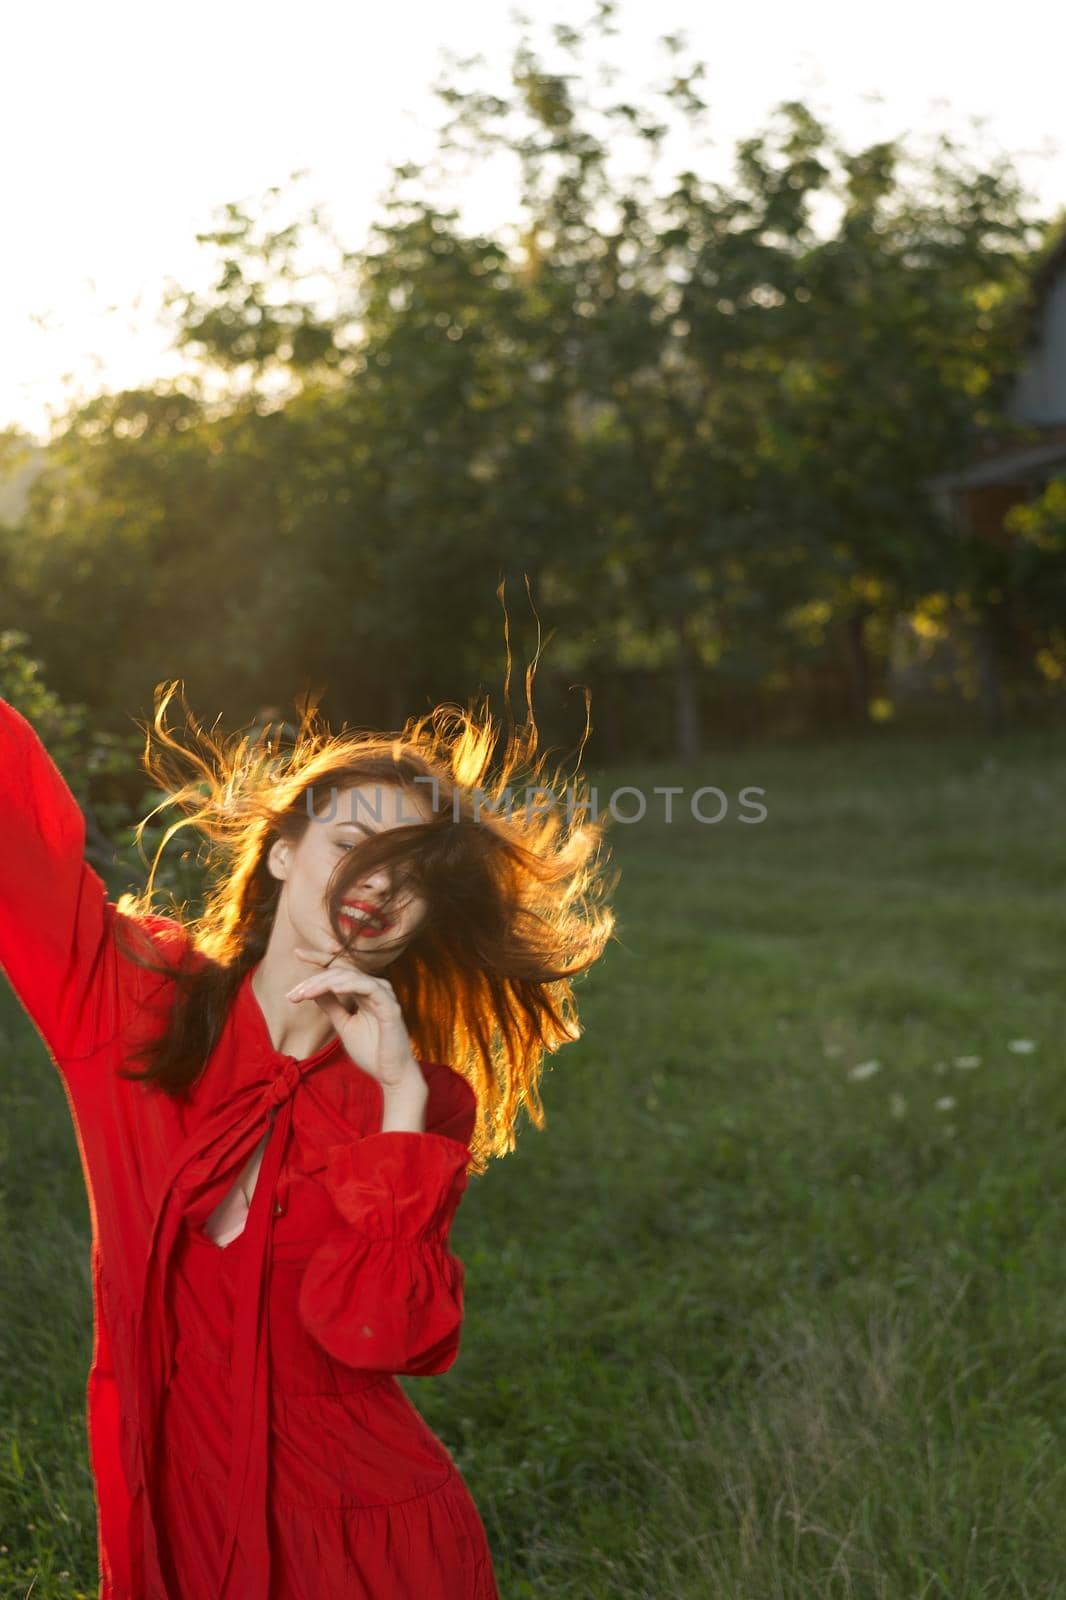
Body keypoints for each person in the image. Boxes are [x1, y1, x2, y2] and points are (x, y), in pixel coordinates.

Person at [0, 679, 616, 1600]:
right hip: (172, 1516)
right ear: (284, 852)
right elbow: (21, 844)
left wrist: (400, 1099)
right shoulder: (129, 1000)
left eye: (412, 874)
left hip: (367, 1544)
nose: (377, 884)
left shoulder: (416, 1100)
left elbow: (386, 1336)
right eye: (352, 846)